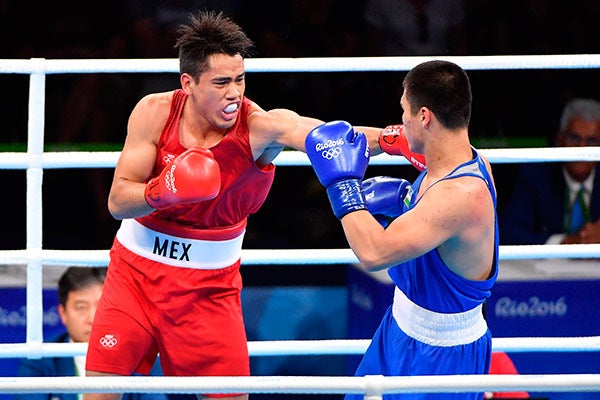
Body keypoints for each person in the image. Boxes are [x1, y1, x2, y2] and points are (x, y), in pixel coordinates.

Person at [83, 10, 401, 400]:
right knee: (100, 391)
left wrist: (395, 140)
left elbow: (325, 136)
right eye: (221, 82)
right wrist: (163, 190)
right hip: (134, 274)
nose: (234, 92)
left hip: (208, 289)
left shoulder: (258, 128)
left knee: (230, 397)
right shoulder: (154, 112)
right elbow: (118, 201)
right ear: (189, 83)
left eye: (240, 79)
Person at [306, 60, 498, 399]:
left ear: (424, 117)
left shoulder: (458, 195)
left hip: (440, 357)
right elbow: (383, 138)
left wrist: (342, 184)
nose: (401, 119)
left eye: (404, 110)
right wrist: (403, 198)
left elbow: (373, 251)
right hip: (399, 327)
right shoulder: (462, 160)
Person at [15, 267, 166, 400]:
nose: (93, 318)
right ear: (63, 313)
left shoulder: (142, 357)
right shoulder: (39, 359)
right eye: (81, 307)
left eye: (102, 306)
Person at [499, 98, 600, 246]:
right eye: (574, 138)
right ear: (559, 140)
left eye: (591, 141)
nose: (582, 148)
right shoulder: (536, 176)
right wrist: (565, 243)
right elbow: (509, 232)